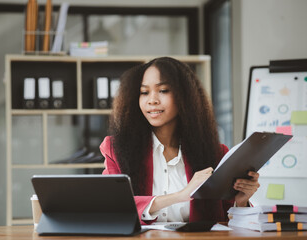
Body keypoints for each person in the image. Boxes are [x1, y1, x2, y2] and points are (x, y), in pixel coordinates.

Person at [99, 57, 260, 224]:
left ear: (184, 96)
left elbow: (227, 220)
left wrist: (241, 201)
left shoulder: (216, 153)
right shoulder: (115, 149)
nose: (152, 100)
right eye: (144, 92)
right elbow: (113, 206)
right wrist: (180, 196)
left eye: (163, 90)